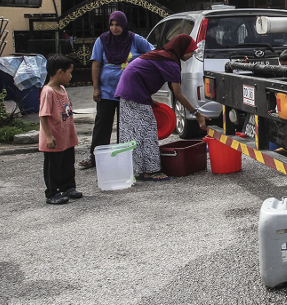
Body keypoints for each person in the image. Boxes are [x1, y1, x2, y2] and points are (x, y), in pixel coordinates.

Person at [114, 34, 207, 181]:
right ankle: (149, 171)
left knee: (133, 131)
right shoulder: (169, 62)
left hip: (129, 89)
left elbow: (141, 72)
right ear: (181, 49)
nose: (191, 55)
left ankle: (135, 169)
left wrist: (149, 99)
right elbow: (179, 94)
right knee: (147, 129)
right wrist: (197, 114)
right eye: (190, 51)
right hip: (133, 91)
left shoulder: (164, 56)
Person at [79, 11, 154, 169]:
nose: (114, 28)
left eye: (118, 25)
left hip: (129, 91)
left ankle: (125, 158)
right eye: (112, 25)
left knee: (126, 126)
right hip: (107, 91)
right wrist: (95, 88)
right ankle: (95, 158)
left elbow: (152, 54)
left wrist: (141, 73)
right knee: (102, 125)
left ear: (124, 25)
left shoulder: (135, 39)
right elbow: (96, 64)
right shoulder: (103, 40)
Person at [39, 54, 80, 205]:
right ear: (59, 72)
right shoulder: (48, 92)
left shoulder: (62, 88)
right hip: (54, 137)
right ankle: (52, 192)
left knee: (68, 162)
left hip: (66, 135)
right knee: (53, 166)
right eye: (69, 72)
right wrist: (49, 136)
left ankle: (68, 187)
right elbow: (43, 115)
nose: (70, 76)